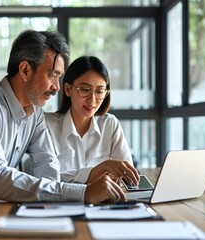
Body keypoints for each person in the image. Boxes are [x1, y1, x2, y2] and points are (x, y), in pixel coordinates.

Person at [0, 30, 137, 217]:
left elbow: (48, 171)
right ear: (25, 70)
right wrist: (83, 193)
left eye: (59, 78)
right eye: (53, 76)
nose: (57, 87)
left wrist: (60, 196)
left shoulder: (35, 114)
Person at [44, 56, 138, 185]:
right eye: (84, 89)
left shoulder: (109, 125)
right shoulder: (47, 125)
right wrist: (97, 171)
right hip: (62, 203)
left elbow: (127, 176)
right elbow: (47, 180)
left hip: (104, 202)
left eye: (99, 91)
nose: (92, 99)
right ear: (67, 89)